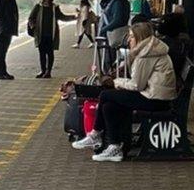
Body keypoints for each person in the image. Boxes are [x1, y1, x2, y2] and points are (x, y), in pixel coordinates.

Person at [72, 22, 177, 162]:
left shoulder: (146, 55)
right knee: (108, 106)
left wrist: (116, 82)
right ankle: (115, 148)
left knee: (105, 95)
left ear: (140, 38)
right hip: (156, 96)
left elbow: (136, 85)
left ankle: (95, 134)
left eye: (132, 37)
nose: (129, 40)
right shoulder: (150, 50)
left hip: (155, 100)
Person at [27, 0, 76, 78]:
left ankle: (48, 71)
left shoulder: (55, 8)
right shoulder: (38, 7)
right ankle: (43, 71)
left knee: (50, 53)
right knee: (42, 53)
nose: (49, 0)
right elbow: (31, 17)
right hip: (40, 34)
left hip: (51, 34)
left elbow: (62, 17)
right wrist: (33, 26)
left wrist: (73, 17)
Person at [98, 0, 131, 71]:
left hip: (114, 33)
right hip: (114, 32)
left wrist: (104, 29)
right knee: (111, 55)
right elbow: (103, 5)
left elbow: (117, 20)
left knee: (109, 56)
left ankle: (109, 74)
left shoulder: (117, 2)